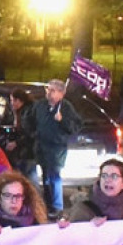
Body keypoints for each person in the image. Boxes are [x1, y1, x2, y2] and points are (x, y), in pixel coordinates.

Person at [21, 79, 81, 216]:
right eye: (48, 89)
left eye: (53, 90)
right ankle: (49, 206)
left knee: (54, 176)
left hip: (56, 149)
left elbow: (75, 127)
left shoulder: (66, 107)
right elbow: (27, 120)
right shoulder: (40, 105)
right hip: (41, 147)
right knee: (45, 178)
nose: (49, 93)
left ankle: (57, 207)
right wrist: (34, 133)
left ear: (61, 93)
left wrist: (62, 121)